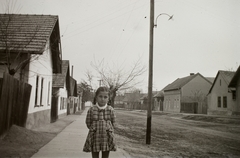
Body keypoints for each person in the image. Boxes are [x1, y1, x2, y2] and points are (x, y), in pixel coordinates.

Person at [83, 86, 117, 158]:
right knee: (95, 156)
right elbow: (88, 123)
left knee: (105, 156)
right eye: (100, 96)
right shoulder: (92, 109)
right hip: (95, 136)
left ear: (108, 98)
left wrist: (108, 129)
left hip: (107, 137)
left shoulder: (110, 110)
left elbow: (113, 122)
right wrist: (95, 129)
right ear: (96, 97)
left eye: (105, 97)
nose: (102, 99)